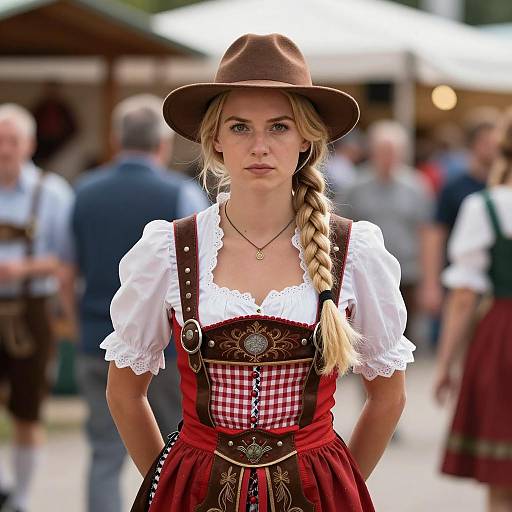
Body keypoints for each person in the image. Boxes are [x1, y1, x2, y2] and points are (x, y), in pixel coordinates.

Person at [102, 34, 415, 511]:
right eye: (241, 127)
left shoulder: (354, 249)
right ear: (215, 139)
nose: (260, 146)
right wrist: (170, 482)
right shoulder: (170, 250)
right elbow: (125, 393)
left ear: (306, 138)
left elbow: (388, 397)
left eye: (280, 127)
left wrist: (338, 482)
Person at [67, 94, 209, 512]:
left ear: (115, 139)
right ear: (162, 145)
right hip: (163, 347)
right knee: (177, 446)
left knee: (104, 451)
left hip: (94, 333)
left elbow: (67, 267)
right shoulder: (181, 197)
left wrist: (76, 324)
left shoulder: (83, 192)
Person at [434, 108, 512, 511]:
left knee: (503, 484)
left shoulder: (487, 206)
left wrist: (445, 363)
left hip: (504, 335)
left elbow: (464, 296)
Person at [0, 104, 74, 512]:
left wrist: (22, 267)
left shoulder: (53, 192)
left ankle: (22, 500)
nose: (5, 149)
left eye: (13, 141)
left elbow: (65, 261)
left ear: (28, 144)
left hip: (32, 308)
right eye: (0, 141)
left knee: (28, 409)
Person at [339, 120, 433, 339]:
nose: (388, 157)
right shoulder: (355, 186)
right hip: (365, 273)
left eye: (393, 151)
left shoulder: (417, 185)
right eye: (383, 151)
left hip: (407, 273)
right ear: (372, 151)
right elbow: (341, 230)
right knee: (365, 334)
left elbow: (427, 234)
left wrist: (429, 282)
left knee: (404, 337)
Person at [420, 115, 499, 319]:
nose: (493, 148)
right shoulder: (454, 187)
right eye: (486, 142)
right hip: (460, 280)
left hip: (498, 284)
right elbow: (435, 234)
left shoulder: (503, 189)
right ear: (473, 145)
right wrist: (431, 284)